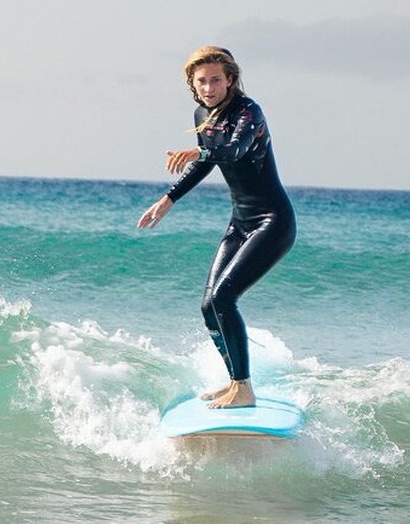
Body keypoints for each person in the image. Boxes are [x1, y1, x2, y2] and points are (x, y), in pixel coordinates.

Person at [137, 46, 296, 409]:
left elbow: (235, 150)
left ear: (230, 80)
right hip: (240, 223)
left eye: (216, 80)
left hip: (272, 223)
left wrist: (198, 151)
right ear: (193, 85)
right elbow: (205, 163)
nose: (209, 87)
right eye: (202, 81)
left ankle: (244, 388)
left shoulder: (248, 112)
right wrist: (169, 199)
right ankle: (236, 383)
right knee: (210, 305)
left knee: (225, 297)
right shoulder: (202, 114)